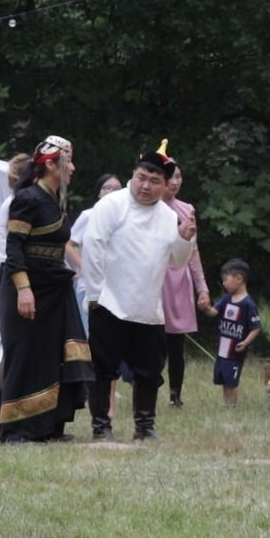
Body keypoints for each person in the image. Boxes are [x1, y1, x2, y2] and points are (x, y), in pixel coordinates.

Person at [81, 141, 198, 442]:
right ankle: (101, 427)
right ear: (133, 174)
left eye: (154, 181)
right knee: (103, 368)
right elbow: (92, 248)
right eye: (141, 177)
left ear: (166, 185)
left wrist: (185, 239)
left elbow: (176, 261)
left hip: (148, 307)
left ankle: (144, 427)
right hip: (108, 302)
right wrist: (94, 294)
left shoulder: (169, 217)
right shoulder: (111, 205)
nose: (145, 186)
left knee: (149, 371)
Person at [0, 137, 93, 443]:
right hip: (30, 289)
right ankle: (16, 431)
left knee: (54, 356)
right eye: (68, 162)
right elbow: (14, 249)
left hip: (55, 290)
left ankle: (49, 427)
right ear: (50, 164)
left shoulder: (53, 199)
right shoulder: (27, 198)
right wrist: (24, 290)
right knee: (26, 356)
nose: (73, 168)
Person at [159, 162, 209, 408]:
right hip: (156, 278)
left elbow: (194, 251)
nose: (175, 182)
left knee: (176, 343)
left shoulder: (186, 209)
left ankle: (175, 395)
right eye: (170, 178)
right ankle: (144, 386)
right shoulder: (151, 209)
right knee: (151, 340)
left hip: (179, 279)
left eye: (178, 176)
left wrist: (203, 288)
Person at [0, 151, 32, 430]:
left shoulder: (27, 203)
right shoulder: (14, 204)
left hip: (18, 278)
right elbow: (10, 251)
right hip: (10, 280)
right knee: (12, 351)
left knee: (19, 350)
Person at [67, 173, 125, 332]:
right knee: (89, 332)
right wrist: (83, 266)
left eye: (117, 188)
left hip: (118, 285)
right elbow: (69, 244)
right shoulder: (88, 215)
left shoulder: (125, 218)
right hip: (89, 285)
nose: (112, 192)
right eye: (107, 188)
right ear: (99, 192)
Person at [205, 259, 262, 409]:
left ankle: (232, 406)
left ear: (238, 279)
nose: (223, 283)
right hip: (222, 349)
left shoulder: (248, 304)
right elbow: (213, 312)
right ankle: (226, 404)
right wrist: (205, 307)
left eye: (225, 279)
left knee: (232, 381)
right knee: (223, 379)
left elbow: (256, 327)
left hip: (235, 351)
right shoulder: (226, 299)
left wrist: (246, 342)